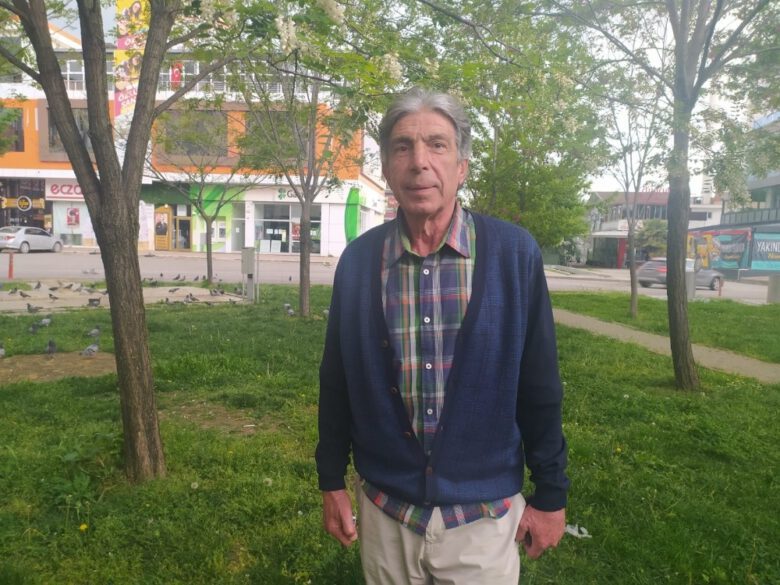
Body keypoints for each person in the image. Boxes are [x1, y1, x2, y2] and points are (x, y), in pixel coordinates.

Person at [316, 87, 569, 584]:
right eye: (403, 147)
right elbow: (337, 380)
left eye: (437, 144)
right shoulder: (359, 263)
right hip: (387, 514)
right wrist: (331, 481)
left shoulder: (514, 255)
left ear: (462, 166)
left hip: (483, 519)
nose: (419, 162)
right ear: (386, 167)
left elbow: (539, 385)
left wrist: (551, 495)